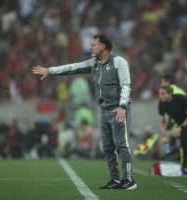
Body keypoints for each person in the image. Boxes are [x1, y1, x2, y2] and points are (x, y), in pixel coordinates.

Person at [33, 34, 136, 190]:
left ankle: (129, 180)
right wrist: (50, 70)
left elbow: (126, 86)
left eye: (93, 44)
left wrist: (122, 106)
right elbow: (72, 68)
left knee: (121, 145)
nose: (90, 47)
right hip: (104, 109)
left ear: (103, 47)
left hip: (119, 109)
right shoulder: (94, 63)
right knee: (107, 147)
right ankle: (115, 180)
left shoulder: (119, 62)